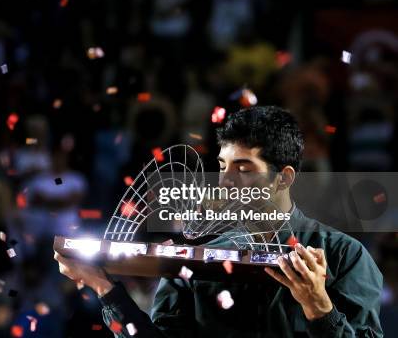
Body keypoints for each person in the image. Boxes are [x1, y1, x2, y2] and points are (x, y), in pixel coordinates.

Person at [54, 106, 383, 337]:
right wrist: (104, 288)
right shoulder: (194, 254)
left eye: (243, 168)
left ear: (283, 178)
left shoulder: (343, 255)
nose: (225, 181)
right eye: (222, 166)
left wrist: (318, 306)